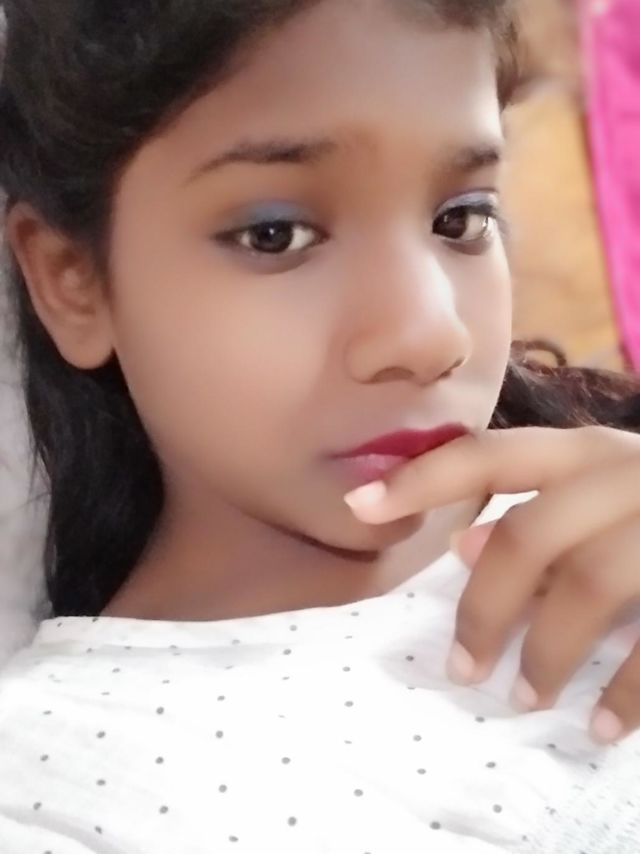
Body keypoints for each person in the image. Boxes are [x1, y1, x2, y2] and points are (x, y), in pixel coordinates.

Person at [1, 0, 640, 851]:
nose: (428, 334)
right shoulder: (53, 790)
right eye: (276, 235)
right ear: (71, 281)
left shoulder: (610, 505)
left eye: (461, 219)